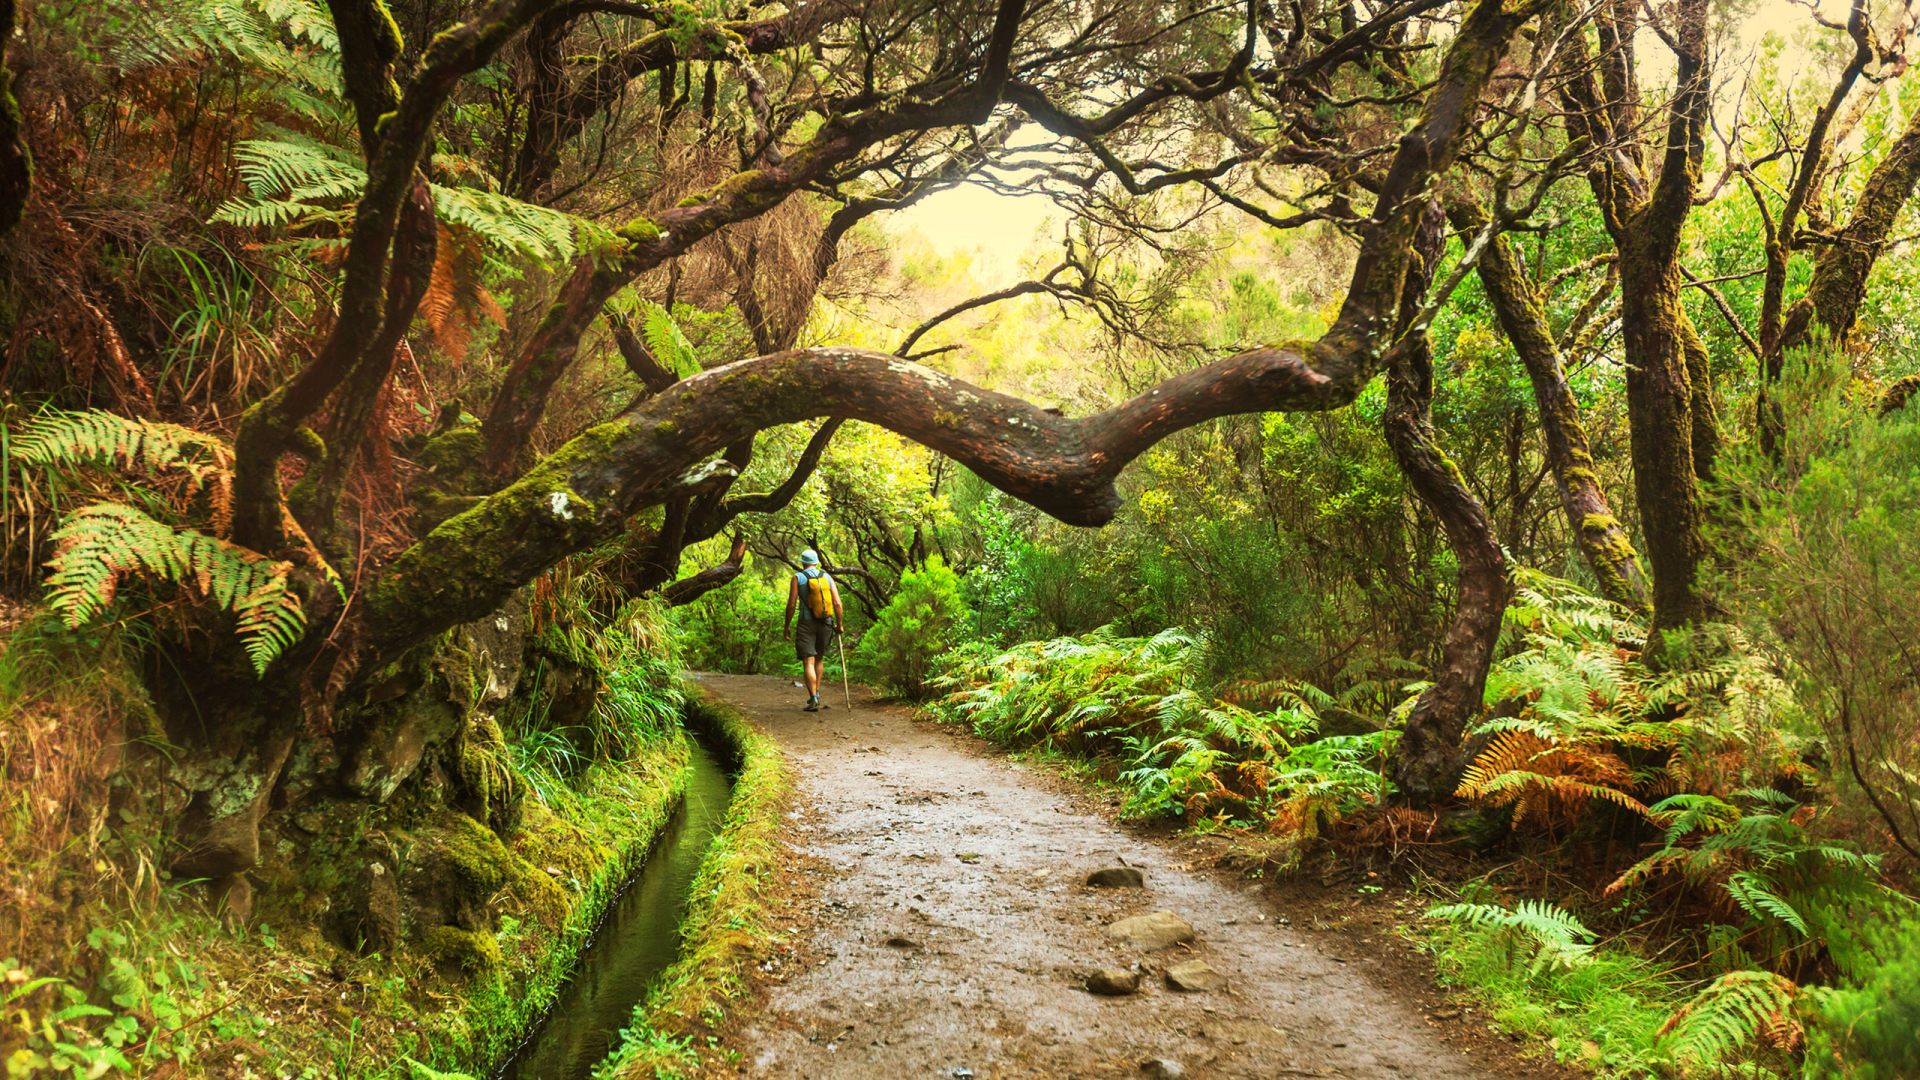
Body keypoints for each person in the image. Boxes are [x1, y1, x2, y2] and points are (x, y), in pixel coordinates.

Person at [784, 549, 845, 712]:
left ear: (803, 563)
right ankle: (817, 693)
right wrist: (839, 625)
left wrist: (787, 626)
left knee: (808, 661)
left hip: (806, 622)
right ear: (817, 562)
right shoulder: (827, 577)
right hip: (826, 621)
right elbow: (837, 603)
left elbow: (791, 605)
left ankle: (813, 699)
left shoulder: (798, 578)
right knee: (819, 659)